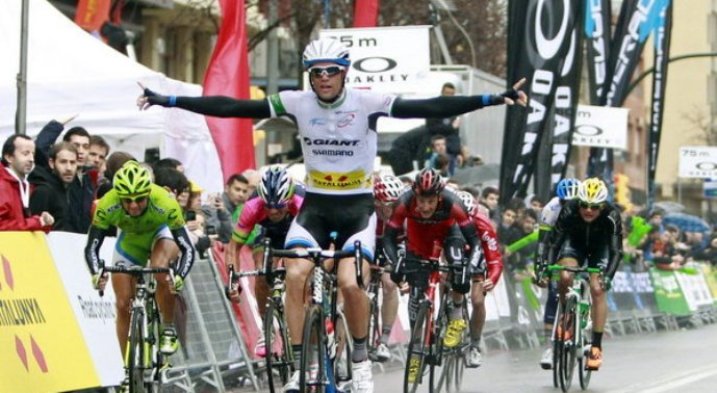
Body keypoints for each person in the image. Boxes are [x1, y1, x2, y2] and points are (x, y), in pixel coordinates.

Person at [137, 37, 526, 393]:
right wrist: (169, 101)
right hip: (316, 208)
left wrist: (493, 100)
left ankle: (359, 360)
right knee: (294, 275)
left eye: (331, 71)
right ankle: (296, 365)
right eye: (316, 72)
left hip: (357, 209)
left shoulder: (367, 103)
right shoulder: (296, 103)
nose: (323, 78)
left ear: (344, 73)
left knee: (351, 284)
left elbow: (427, 107)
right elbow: (233, 107)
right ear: (310, 76)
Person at [84, 161, 196, 392]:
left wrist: (180, 276)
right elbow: (91, 248)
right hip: (131, 241)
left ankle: (167, 327)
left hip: (161, 234)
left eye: (140, 199)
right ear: (119, 197)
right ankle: (127, 368)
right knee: (123, 303)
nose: (134, 205)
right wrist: (97, 273)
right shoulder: (107, 204)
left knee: (160, 269)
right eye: (127, 200)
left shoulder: (165, 202)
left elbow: (187, 247)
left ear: (148, 193)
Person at [383, 168, 483, 382]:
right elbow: (389, 238)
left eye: (431, 201)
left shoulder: (453, 202)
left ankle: (456, 315)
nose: (425, 206)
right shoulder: (404, 202)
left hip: (450, 235)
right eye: (421, 201)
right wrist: (395, 262)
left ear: (439, 196)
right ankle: (417, 347)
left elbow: (474, 241)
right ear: (415, 196)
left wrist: (469, 267)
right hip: (419, 239)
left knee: (457, 268)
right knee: (416, 296)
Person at [545, 178, 622, 371]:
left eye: (594, 207)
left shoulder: (612, 214)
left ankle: (596, 346)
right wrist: (546, 266)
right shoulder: (570, 208)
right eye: (584, 205)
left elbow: (616, 251)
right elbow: (555, 242)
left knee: (597, 289)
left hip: (600, 249)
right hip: (574, 245)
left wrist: (608, 277)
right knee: (564, 276)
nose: (588, 210)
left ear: (602, 205)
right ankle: (566, 316)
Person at [225, 166, 303, 357]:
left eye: (279, 207)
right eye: (269, 207)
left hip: (298, 231)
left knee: (299, 269)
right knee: (261, 271)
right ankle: (265, 329)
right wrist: (232, 280)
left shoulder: (302, 202)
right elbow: (233, 247)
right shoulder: (253, 206)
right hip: (269, 235)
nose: (274, 212)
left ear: (290, 199)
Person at [533, 178, 581, 369]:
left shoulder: (587, 209)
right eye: (564, 202)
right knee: (554, 293)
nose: (568, 206)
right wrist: (540, 268)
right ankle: (550, 347)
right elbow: (543, 243)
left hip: (582, 243)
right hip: (559, 246)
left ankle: (582, 324)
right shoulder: (551, 209)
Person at [456, 191, 503, 368]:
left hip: (479, 252)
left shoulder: (482, 222)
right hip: (456, 250)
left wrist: (493, 277)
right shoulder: (446, 218)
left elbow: (495, 257)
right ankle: (448, 319)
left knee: (477, 300)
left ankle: (475, 345)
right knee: (448, 277)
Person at [371, 174, 406, 362]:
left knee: (389, 283)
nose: (393, 210)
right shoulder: (366, 211)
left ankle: (383, 339)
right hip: (370, 243)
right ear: (376, 202)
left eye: (395, 205)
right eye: (388, 205)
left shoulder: (403, 213)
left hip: (393, 245)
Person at [0, 135, 54, 231]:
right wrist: (37, 222)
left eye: (33, 154)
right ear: (9, 157)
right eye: (25, 154)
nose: (31, 159)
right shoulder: (2, 186)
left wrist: (43, 223)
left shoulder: (24, 186)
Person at [28, 142, 79, 232]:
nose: (69, 168)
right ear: (51, 163)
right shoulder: (43, 191)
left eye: (72, 162)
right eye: (63, 162)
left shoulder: (72, 189)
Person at [203, 173, 251, 244]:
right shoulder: (214, 206)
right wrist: (224, 215)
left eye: (244, 191)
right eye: (237, 189)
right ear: (226, 189)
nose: (241, 194)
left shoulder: (241, 210)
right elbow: (220, 236)